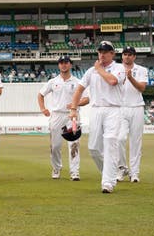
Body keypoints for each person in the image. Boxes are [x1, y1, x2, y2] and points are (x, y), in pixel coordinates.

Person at [70, 41, 125, 193]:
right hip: (95, 110)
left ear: (112, 54)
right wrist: (73, 108)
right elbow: (79, 90)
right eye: (100, 51)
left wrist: (99, 68)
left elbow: (113, 81)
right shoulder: (90, 71)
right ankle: (110, 173)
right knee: (93, 148)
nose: (102, 54)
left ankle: (107, 182)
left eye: (106, 52)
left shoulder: (118, 68)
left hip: (113, 110)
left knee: (110, 143)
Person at [38, 55, 89, 181]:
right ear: (58, 65)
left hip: (73, 115)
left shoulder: (78, 82)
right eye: (61, 63)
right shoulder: (53, 82)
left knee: (74, 144)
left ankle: (74, 172)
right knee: (55, 146)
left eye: (66, 62)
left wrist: (75, 104)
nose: (63, 65)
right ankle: (56, 168)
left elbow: (87, 99)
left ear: (70, 65)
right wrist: (43, 108)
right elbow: (40, 94)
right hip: (56, 115)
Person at [117, 46, 148, 183]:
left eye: (130, 54)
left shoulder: (141, 70)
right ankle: (122, 169)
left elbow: (142, 88)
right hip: (120, 108)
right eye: (125, 54)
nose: (127, 56)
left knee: (136, 142)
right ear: (122, 56)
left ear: (134, 57)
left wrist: (130, 78)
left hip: (137, 107)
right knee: (119, 139)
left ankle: (135, 173)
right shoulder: (116, 69)